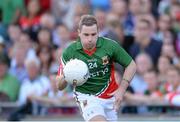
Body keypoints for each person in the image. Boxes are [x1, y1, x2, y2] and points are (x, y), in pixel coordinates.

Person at [56, 15, 136, 122]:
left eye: (93, 34)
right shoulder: (70, 52)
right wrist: (67, 75)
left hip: (109, 97)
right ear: (79, 32)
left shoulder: (109, 46)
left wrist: (121, 90)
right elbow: (59, 86)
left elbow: (131, 65)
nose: (90, 39)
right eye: (86, 35)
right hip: (87, 97)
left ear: (98, 31)